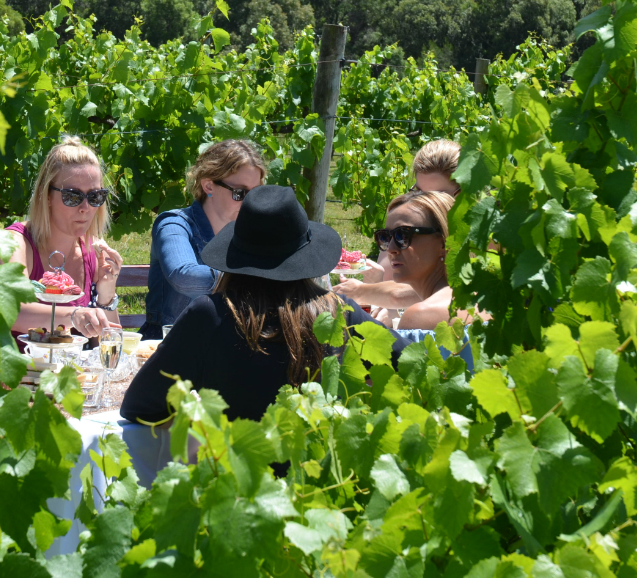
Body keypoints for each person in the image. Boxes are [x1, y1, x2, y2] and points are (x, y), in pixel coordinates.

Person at [121, 185, 410, 424]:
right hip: (322, 481)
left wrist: (197, 414)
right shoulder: (338, 311)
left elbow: (140, 405)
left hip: (231, 484)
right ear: (306, 253)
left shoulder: (210, 316)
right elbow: (410, 364)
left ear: (235, 251)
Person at [0, 136, 122, 342]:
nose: (85, 208)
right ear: (46, 195)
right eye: (72, 196)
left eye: (95, 197)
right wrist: (74, 316)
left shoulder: (90, 251)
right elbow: (10, 308)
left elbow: (108, 345)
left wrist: (106, 295)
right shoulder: (12, 243)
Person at [141, 139, 267, 340]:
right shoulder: (173, 224)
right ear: (209, 186)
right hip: (169, 346)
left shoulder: (251, 231)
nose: (250, 202)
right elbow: (184, 276)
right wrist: (253, 274)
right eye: (240, 193)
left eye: (256, 193)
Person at [334, 139, 461, 318]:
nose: (425, 203)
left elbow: (409, 293)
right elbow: (391, 283)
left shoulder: (484, 240)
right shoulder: (407, 228)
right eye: (418, 192)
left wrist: (362, 291)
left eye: (438, 195)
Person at [374, 190, 472, 331]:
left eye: (402, 235)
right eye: (385, 237)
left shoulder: (420, 317)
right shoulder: (478, 300)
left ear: (444, 243)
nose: (390, 248)